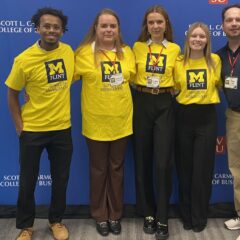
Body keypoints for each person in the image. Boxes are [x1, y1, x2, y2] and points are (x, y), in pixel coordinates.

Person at [5, 7, 74, 240]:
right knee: (27, 182)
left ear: (62, 31)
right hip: (33, 130)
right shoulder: (24, 59)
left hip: (62, 129)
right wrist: (18, 125)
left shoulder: (68, 53)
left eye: (56, 27)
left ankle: (56, 221)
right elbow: (12, 93)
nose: (51, 30)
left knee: (61, 180)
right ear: (38, 28)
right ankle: (26, 226)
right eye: (47, 26)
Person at [74, 8, 135, 237]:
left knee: (117, 170)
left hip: (121, 122)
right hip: (95, 123)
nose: (108, 30)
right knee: (98, 170)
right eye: (104, 26)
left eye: (112, 26)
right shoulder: (83, 53)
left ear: (118, 30)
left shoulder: (127, 53)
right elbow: (63, 81)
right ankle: (100, 215)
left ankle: (115, 215)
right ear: (96, 29)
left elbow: (138, 79)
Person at [132, 5, 180, 240]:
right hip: (141, 102)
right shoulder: (138, 47)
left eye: (159, 22)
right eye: (151, 22)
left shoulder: (175, 49)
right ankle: (148, 213)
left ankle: (163, 216)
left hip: (164, 103)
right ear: (146, 26)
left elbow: (180, 78)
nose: (155, 26)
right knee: (142, 160)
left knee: (162, 163)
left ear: (166, 24)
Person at [174, 22, 221, 232]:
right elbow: (174, 89)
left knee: (202, 171)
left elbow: (220, 84)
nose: (198, 40)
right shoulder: (178, 62)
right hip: (183, 117)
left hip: (206, 118)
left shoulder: (215, 61)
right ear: (188, 38)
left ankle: (199, 216)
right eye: (194, 36)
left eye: (202, 36)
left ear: (207, 40)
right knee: (185, 170)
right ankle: (186, 214)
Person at [216, 4, 240, 236]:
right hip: (234, 115)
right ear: (223, 25)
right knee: (237, 169)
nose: (234, 23)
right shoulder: (220, 56)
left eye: (238, 19)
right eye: (229, 20)